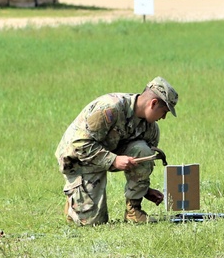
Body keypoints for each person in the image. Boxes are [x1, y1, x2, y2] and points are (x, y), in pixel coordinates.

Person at [56, 77, 179, 225]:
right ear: (153, 103)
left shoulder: (150, 129)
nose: (164, 117)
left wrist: (144, 190)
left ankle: (133, 211)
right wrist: (113, 160)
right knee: (91, 223)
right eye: (164, 111)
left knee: (144, 150)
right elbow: (80, 144)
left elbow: (142, 161)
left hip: (105, 152)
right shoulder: (110, 108)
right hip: (79, 158)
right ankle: (74, 200)